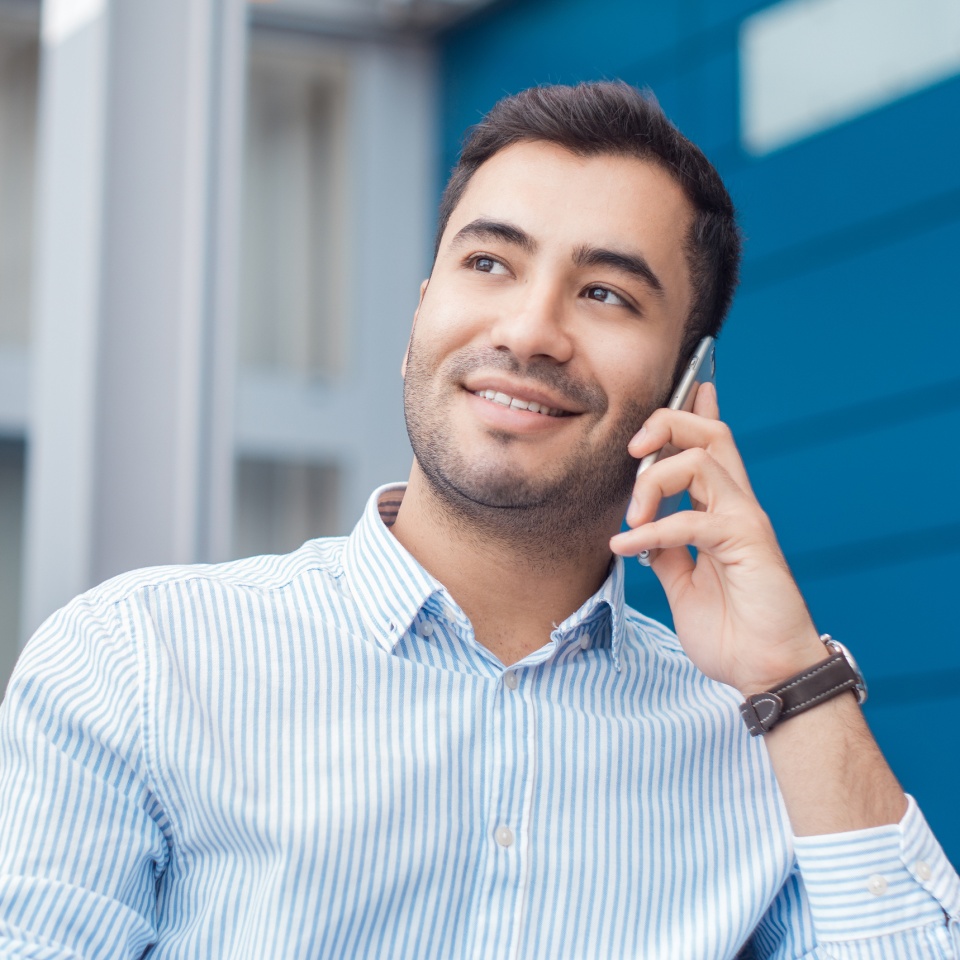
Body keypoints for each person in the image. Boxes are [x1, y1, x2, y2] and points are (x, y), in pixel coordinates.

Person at [0, 81, 957, 960]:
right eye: (490, 262)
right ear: (423, 312)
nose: (529, 330)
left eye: (605, 294)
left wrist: (791, 678)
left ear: (687, 383)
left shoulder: (758, 742)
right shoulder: (133, 663)